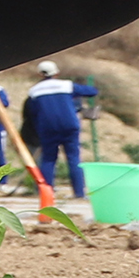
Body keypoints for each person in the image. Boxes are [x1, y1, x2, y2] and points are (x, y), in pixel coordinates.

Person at [24, 63, 87, 197]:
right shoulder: (66, 85)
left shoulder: (34, 91)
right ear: (56, 73)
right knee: (74, 158)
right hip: (70, 126)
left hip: (48, 128)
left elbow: (32, 113)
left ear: (40, 74)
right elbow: (91, 91)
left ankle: (46, 193)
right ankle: (79, 193)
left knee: (48, 160)